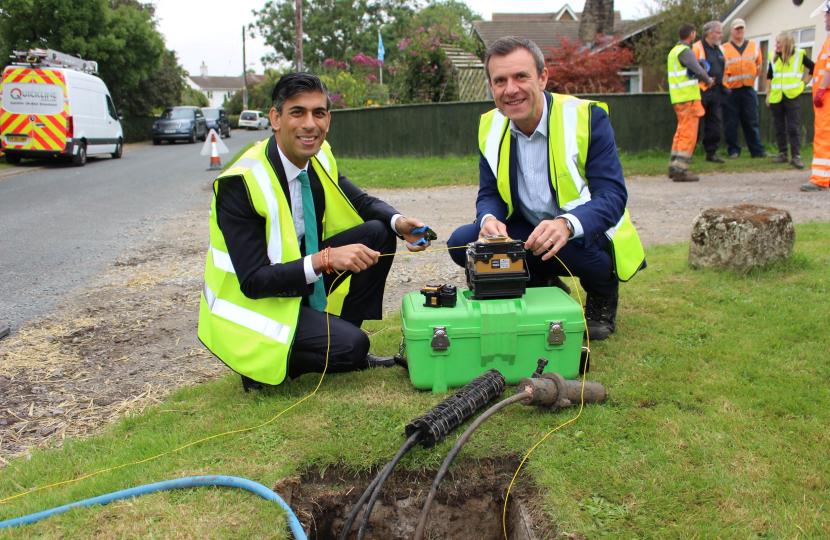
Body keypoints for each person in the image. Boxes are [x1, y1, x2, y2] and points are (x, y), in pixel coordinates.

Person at [198, 72, 431, 390]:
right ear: (276, 118)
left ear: (328, 118)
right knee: (354, 348)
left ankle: (340, 332)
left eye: (318, 113)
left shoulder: (317, 154)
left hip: (296, 281)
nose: (310, 124)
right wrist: (325, 259)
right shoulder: (241, 183)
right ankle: (261, 366)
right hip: (253, 307)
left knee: (378, 233)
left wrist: (399, 223)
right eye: (298, 112)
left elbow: (359, 200)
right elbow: (254, 282)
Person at [445, 37, 645, 341]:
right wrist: (487, 219)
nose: (510, 89)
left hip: (583, 231)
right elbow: (490, 193)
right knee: (463, 243)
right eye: (500, 80)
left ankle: (602, 294)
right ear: (491, 86)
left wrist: (566, 224)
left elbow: (613, 197)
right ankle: (542, 280)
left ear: (543, 78)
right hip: (530, 228)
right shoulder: (490, 126)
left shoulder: (586, 117)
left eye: (521, 76)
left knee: (583, 253)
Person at [668, 22, 713, 182]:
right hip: (689, 98)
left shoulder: (674, 52)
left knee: (680, 132)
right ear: (692, 35)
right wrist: (708, 80)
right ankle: (680, 170)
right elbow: (698, 70)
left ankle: (674, 166)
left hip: (678, 98)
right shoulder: (686, 51)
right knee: (689, 134)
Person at [722, 19, 771, 160]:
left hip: (748, 88)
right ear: (731, 30)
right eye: (737, 28)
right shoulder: (725, 47)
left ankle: (757, 151)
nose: (739, 31)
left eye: (742, 28)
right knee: (730, 122)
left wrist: (748, 79)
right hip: (730, 90)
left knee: (751, 121)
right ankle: (733, 151)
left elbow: (759, 67)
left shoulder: (754, 46)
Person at [766, 32, 813, 170]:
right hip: (776, 97)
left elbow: (814, 67)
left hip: (793, 96)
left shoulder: (799, 55)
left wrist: (805, 83)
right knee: (779, 127)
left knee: (793, 127)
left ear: (786, 44)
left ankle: (796, 156)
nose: (776, 45)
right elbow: (769, 76)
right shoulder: (772, 57)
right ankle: (783, 154)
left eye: (779, 43)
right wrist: (768, 95)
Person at [693, 21, 728, 163]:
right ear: (710, 33)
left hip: (717, 90)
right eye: (719, 32)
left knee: (715, 122)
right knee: (696, 123)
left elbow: (726, 68)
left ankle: (711, 152)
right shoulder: (697, 48)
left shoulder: (721, 49)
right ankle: (689, 153)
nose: (721, 35)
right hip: (700, 90)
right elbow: (692, 69)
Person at [804, 2, 830, 192]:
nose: (825, 19)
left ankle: (820, 179)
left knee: (824, 134)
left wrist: (821, 88)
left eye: (826, 15)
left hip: (827, 96)